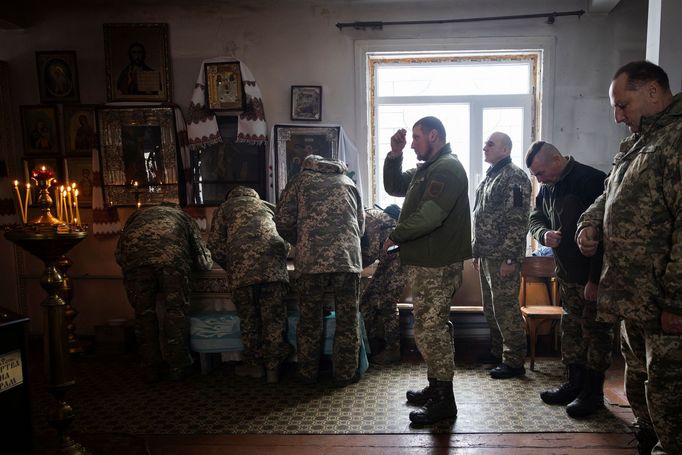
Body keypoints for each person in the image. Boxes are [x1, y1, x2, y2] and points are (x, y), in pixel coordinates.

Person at [576, 61, 682, 454]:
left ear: (653, 91)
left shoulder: (677, 139)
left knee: (670, 393)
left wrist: (676, 301)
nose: (619, 117)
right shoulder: (637, 142)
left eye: (624, 105)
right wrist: (587, 225)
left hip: (663, 302)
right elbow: (607, 197)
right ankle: (647, 439)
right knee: (639, 382)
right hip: (633, 297)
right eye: (615, 109)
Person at [383, 116, 471, 425]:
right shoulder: (427, 168)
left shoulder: (447, 168)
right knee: (431, 327)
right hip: (427, 262)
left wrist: (396, 234)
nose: (413, 143)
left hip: (438, 264)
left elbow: (430, 215)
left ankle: (444, 401)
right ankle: (436, 387)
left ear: (434, 136)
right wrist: (395, 155)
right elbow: (394, 186)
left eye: (417, 137)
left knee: (430, 330)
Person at [526, 141, 615, 418]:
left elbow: (604, 235)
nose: (539, 180)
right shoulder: (548, 185)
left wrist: (595, 280)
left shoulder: (591, 180)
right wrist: (543, 234)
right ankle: (574, 384)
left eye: (540, 173)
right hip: (566, 274)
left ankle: (592, 394)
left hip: (591, 278)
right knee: (573, 332)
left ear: (556, 159)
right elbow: (535, 216)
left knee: (595, 334)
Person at [275, 154, 364, 387]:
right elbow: (361, 225)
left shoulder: (300, 181)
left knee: (310, 319)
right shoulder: (348, 182)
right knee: (348, 319)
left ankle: (307, 372)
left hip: (311, 262)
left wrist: (301, 241)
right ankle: (345, 373)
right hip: (347, 260)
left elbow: (282, 221)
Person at [115, 202, 213, 382]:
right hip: (171, 262)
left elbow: (119, 254)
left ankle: (150, 367)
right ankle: (177, 366)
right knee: (175, 312)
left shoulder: (136, 217)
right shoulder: (183, 217)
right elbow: (202, 258)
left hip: (136, 263)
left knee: (143, 314)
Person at [208, 186, 291, 384]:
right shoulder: (267, 206)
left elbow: (215, 246)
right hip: (274, 273)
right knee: (274, 320)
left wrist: (234, 266)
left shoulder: (225, 209)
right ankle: (273, 369)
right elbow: (286, 241)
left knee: (249, 320)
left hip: (243, 275)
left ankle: (255, 366)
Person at [472, 131, 531, 380]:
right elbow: (480, 215)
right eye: (485, 143)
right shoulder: (490, 177)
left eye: (490, 144)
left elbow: (517, 221)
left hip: (502, 257)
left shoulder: (514, 176)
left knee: (506, 309)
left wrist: (509, 258)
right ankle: (498, 353)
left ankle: (515, 361)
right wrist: (476, 252)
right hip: (487, 255)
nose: (485, 147)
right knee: (491, 309)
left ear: (505, 150)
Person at [359, 204, 407, 365]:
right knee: (368, 300)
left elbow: (372, 252)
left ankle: (392, 349)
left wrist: (353, 266)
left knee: (387, 303)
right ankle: (372, 344)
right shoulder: (375, 216)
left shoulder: (371, 219)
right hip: (393, 259)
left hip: (399, 259)